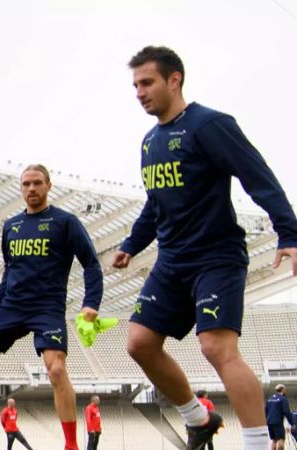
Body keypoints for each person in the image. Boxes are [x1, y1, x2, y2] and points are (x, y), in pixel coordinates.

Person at [116, 46, 297, 450]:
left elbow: (258, 176)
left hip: (216, 257)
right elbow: (155, 201)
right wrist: (132, 244)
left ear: (174, 79)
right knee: (139, 343)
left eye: (146, 82)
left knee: (216, 347)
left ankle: (255, 444)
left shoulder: (210, 125)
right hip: (171, 259)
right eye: (135, 86)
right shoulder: (150, 142)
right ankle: (199, 418)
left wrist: (289, 233)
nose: (139, 92)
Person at [0, 164, 103, 450]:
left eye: (37, 183)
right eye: (26, 184)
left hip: (46, 308)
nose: (31, 189)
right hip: (11, 306)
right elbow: (10, 268)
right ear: (21, 188)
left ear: (49, 186)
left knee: (57, 371)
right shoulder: (11, 226)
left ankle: (71, 445)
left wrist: (91, 304)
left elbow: (91, 264)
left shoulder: (65, 222)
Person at [266, 385, 294, 450]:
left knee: (274, 440)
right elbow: (286, 412)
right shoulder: (283, 399)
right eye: (285, 389)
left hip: (269, 422)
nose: (285, 391)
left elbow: (266, 411)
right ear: (282, 389)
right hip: (278, 422)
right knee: (281, 439)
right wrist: (292, 423)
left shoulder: (270, 399)